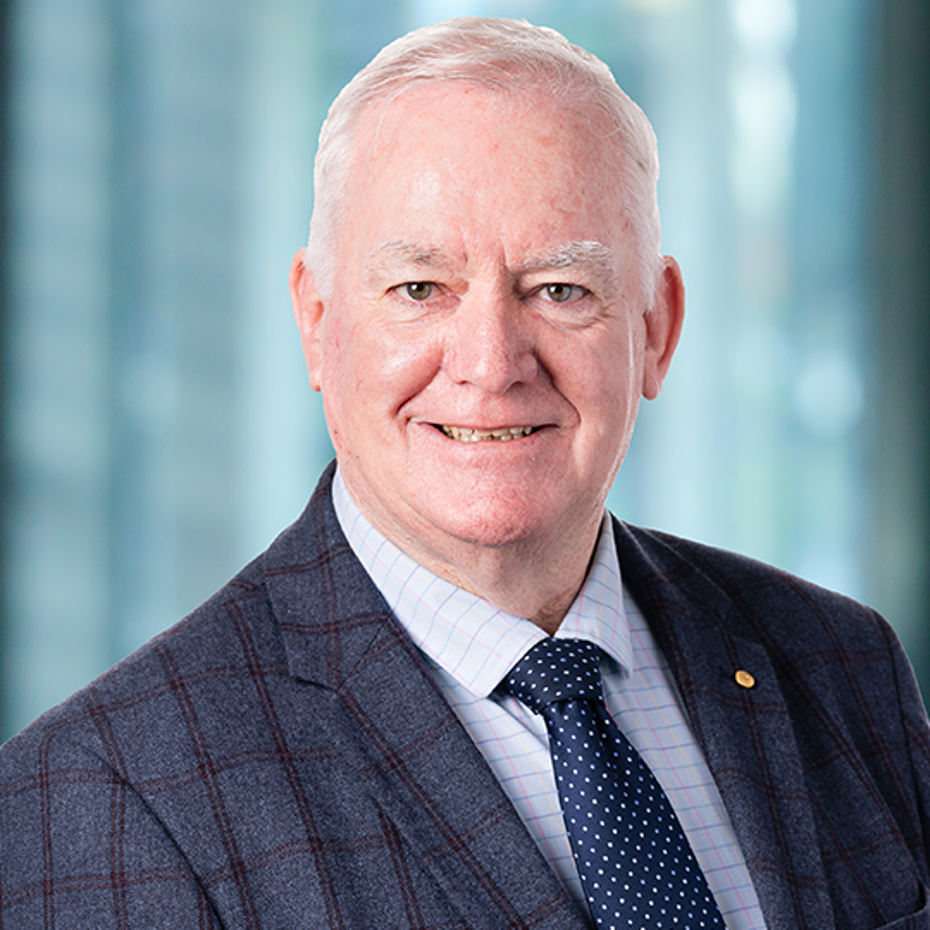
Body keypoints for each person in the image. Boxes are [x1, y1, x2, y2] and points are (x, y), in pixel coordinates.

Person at [1, 16, 928, 930]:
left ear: (656, 328)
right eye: (420, 289)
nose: (491, 364)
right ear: (318, 322)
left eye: (559, 289)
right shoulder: (103, 796)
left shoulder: (843, 665)